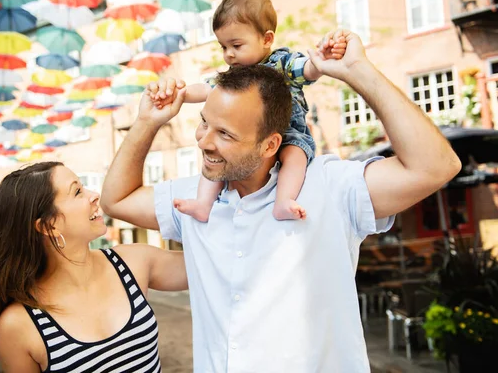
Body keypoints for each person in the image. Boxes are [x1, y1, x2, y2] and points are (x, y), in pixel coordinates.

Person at [100, 29, 461, 372]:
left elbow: (435, 166)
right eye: (204, 123)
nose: (204, 142)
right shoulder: (195, 198)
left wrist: (357, 71)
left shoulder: (328, 186)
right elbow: (117, 201)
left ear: (270, 144)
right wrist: (147, 122)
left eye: (224, 133)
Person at [150, 0, 346, 222]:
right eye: (223, 47)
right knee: (216, 159)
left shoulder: (281, 62)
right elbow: (206, 88)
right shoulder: (234, 74)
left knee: (295, 156)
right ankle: (203, 204)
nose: (229, 54)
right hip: (247, 139)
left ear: (267, 39)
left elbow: (306, 70)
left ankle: (284, 201)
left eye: (236, 45)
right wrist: (178, 95)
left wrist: (321, 61)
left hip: (289, 131)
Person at [0, 161, 187, 373]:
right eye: (77, 191)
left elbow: (208, 264)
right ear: (49, 226)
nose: (94, 195)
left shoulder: (131, 263)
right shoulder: (18, 325)